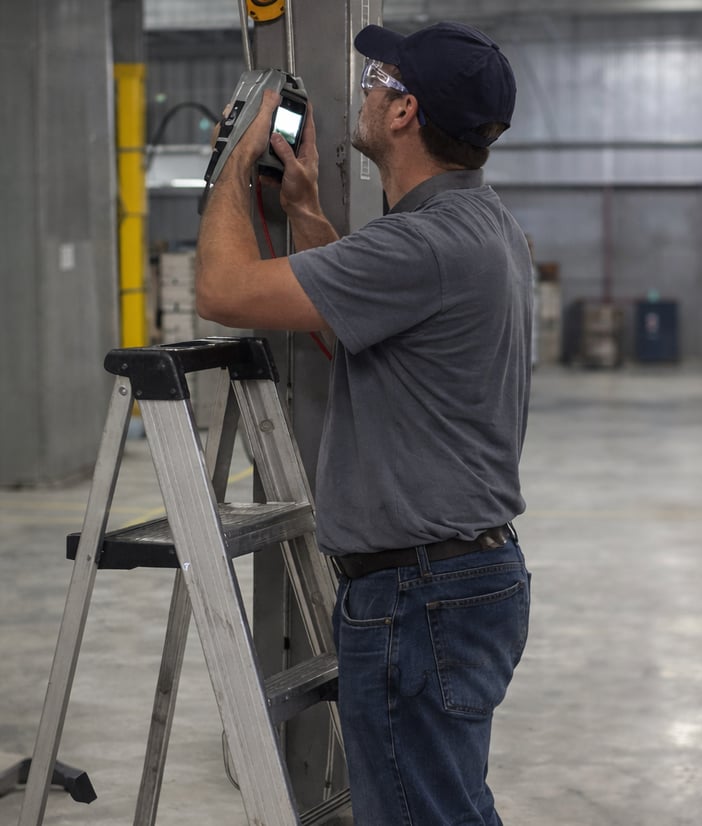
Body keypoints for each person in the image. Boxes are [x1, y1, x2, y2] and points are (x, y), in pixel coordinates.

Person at [196, 20, 533, 826]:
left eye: (377, 79)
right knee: (443, 806)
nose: (364, 89)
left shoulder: (420, 246)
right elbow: (342, 322)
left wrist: (230, 166)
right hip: (453, 584)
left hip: (420, 597)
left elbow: (224, 291)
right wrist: (306, 210)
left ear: (404, 112)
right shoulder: (479, 228)